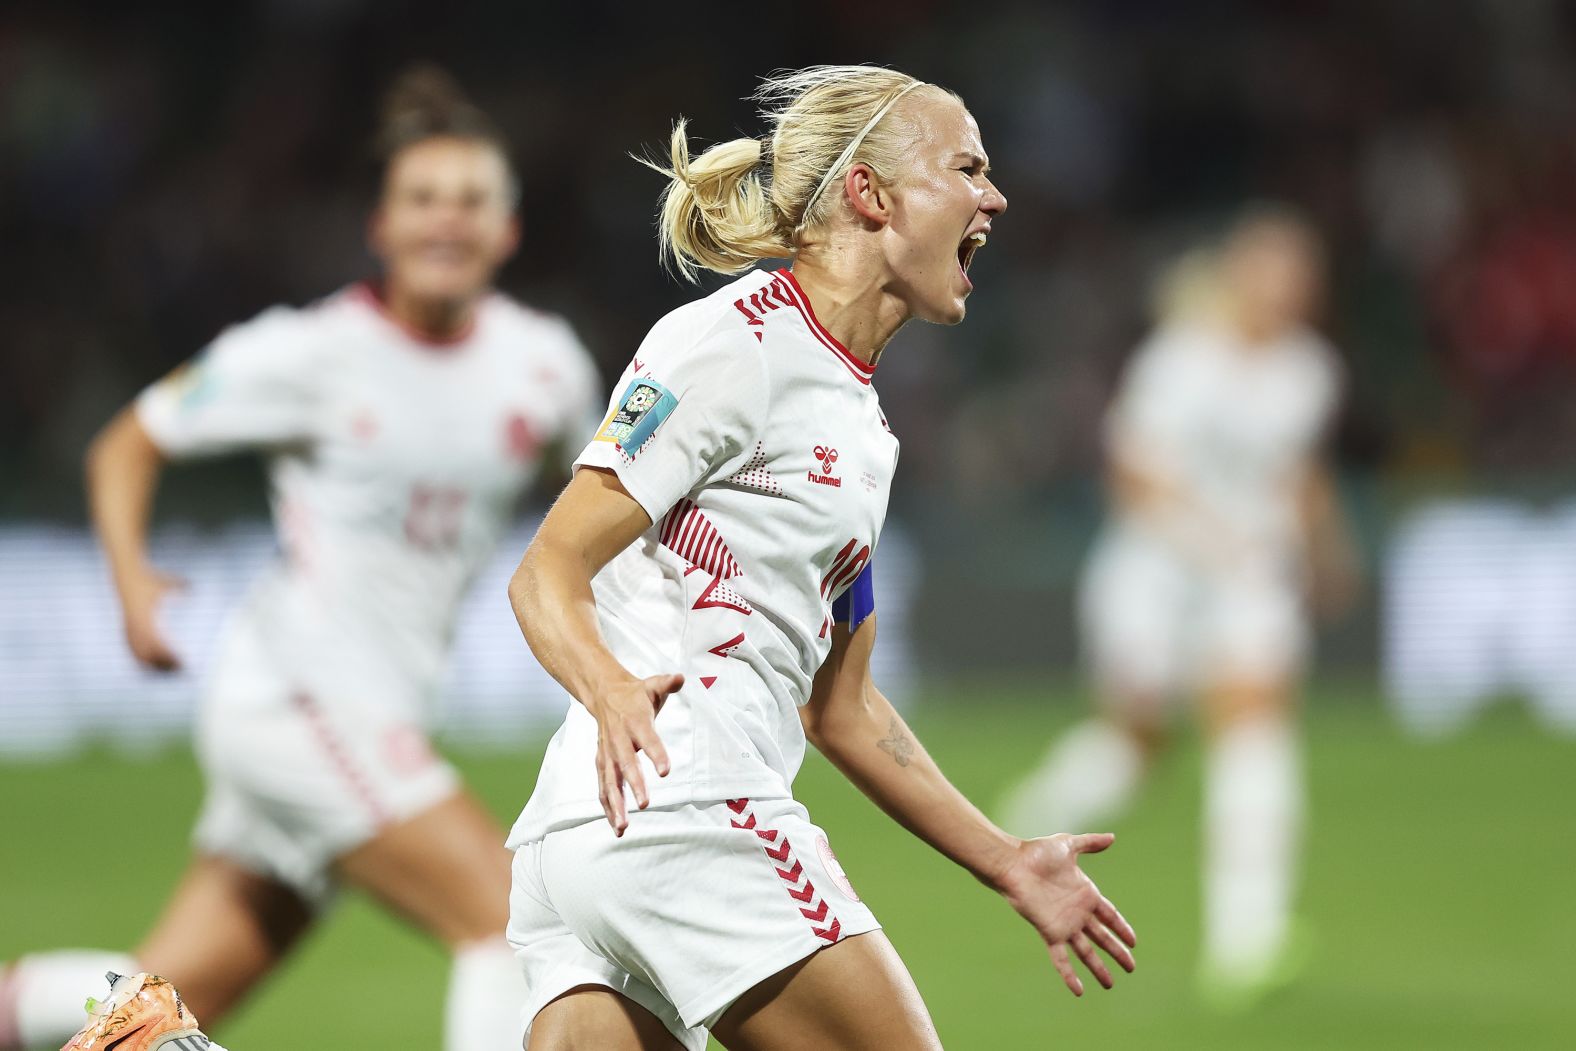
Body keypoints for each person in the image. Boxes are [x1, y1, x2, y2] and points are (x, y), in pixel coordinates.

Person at [503, 64, 1137, 1051]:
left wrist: (1005, 858)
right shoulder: (729, 343)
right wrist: (609, 687)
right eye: (965, 168)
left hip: (594, 834)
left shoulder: (861, 426)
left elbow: (840, 704)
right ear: (870, 194)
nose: (994, 197)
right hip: (685, 796)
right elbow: (546, 567)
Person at [0, 67, 602, 1051]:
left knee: (168, 1005)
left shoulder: (546, 365)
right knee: (513, 918)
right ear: (380, 225)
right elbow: (128, 441)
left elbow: (598, 505)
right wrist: (131, 585)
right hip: (300, 699)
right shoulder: (306, 353)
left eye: (470, 202)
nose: (445, 222)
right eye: (422, 201)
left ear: (509, 230)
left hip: (376, 711)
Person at [998, 207, 1358, 1006]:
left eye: (1300, 273)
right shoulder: (1183, 361)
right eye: (1272, 269)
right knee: (1137, 746)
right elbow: (1131, 477)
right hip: (1154, 578)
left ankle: (1247, 941)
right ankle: (1033, 820)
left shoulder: (1309, 370)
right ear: (1239, 274)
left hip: (1248, 584)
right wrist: (1211, 537)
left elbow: (1300, 474)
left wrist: (1326, 553)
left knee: (1254, 732)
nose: (1287, 288)